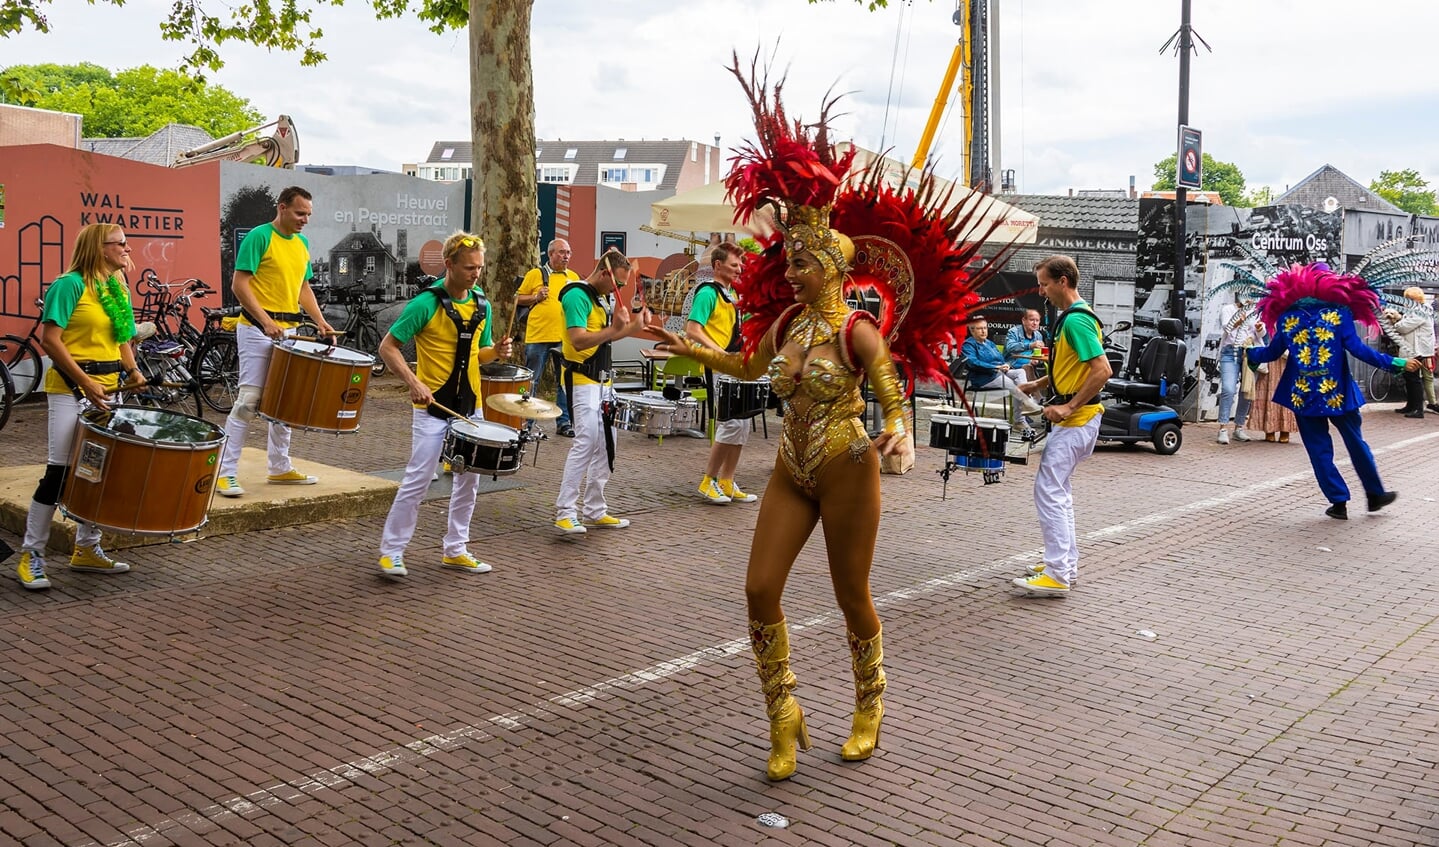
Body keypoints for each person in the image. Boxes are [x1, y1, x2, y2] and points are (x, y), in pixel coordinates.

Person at [648, 59, 996, 781]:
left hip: (846, 466)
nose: (792, 272)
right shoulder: (784, 323)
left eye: (803, 263)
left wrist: (897, 428)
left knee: (850, 595)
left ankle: (869, 702)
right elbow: (747, 370)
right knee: (757, 589)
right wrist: (695, 350)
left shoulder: (855, 331)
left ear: (833, 270)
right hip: (790, 468)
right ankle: (784, 713)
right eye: (791, 261)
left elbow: (890, 390)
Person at [15, 224, 146, 590]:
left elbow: (122, 336)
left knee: (97, 470)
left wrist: (132, 370)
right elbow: (50, 340)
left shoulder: (116, 285)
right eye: (119, 243)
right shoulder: (69, 284)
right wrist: (85, 381)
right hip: (71, 388)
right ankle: (32, 555)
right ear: (98, 247)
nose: (127, 248)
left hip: (108, 387)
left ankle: (86, 548)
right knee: (59, 472)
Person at [375, 232, 511, 578]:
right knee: (417, 480)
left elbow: (480, 353)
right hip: (432, 408)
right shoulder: (425, 304)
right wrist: (413, 382)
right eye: (469, 267)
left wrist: (496, 353)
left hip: (470, 407)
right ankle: (391, 552)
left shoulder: (483, 304)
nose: (476, 274)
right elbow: (388, 348)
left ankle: (456, 548)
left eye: (480, 268)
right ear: (448, 264)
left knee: (469, 481)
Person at [1245, 262, 1418, 520]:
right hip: (1337, 393)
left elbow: (1272, 352)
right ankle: (1374, 495)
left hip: (1303, 394)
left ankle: (1338, 502)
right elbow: (1359, 350)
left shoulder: (1287, 317)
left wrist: (1251, 354)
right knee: (1356, 443)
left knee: (1318, 450)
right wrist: (1395, 362)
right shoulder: (1339, 313)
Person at [215, 186, 336, 497]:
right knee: (249, 400)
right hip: (257, 329)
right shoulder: (259, 236)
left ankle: (280, 468)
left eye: (308, 214)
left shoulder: (302, 243)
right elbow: (239, 284)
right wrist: (266, 321)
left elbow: (303, 287)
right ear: (282, 208)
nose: (304, 219)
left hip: (289, 332)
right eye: (299, 213)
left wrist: (321, 321)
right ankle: (225, 473)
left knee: (285, 401)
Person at [1013, 255, 1112, 597]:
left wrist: (1069, 406)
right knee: (1060, 491)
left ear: (1063, 282)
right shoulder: (1073, 319)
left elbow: (1101, 370)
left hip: (1078, 420)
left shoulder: (1076, 322)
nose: (1041, 291)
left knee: (1049, 491)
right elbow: (1070, 367)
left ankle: (1057, 573)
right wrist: (1037, 386)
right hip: (1081, 421)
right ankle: (1063, 564)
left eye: (1044, 283)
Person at [552, 248, 648, 534]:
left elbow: (607, 337)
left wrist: (632, 328)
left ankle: (595, 507)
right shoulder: (576, 296)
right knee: (586, 442)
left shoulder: (601, 297)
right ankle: (565, 511)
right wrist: (616, 329)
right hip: (582, 381)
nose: (618, 289)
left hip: (603, 382)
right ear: (605, 272)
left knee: (608, 443)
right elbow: (579, 341)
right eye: (618, 283)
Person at [686, 242, 757, 505]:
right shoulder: (708, 293)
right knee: (729, 423)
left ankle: (727, 480)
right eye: (734, 265)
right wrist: (720, 352)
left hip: (736, 365)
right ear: (718, 265)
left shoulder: (731, 295)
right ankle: (708, 480)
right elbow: (692, 329)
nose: (739, 270)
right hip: (719, 366)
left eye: (740, 265)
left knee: (742, 424)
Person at [516, 239, 580, 437]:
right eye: (561, 252)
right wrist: (535, 297)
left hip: (564, 338)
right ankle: (526, 423)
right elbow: (517, 298)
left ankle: (564, 422)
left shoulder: (573, 277)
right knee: (532, 381)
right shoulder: (536, 274)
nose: (566, 256)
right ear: (550, 254)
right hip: (538, 336)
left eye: (568, 252)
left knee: (563, 382)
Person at [961, 315, 1045, 435]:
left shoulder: (989, 343)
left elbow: (1000, 359)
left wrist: (1005, 365)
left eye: (985, 328)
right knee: (1014, 385)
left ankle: (1026, 403)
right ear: (972, 330)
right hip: (984, 378)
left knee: (1020, 372)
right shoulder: (968, 345)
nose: (984, 331)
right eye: (980, 329)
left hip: (1000, 373)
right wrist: (995, 367)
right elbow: (973, 363)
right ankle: (1021, 416)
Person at [1216, 292, 1261, 443]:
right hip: (1230, 352)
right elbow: (1226, 328)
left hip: (1249, 352)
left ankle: (1239, 427)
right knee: (1228, 388)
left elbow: (1261, 334)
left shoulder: (1255, 312)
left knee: (1246, 390)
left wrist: (1260, 328)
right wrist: (1237, 321)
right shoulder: (1228, 309)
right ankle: (1223, 428)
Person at [1384, 287, 1435, 419]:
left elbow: (1404, 327)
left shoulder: (1422, 310)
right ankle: (1411, 405)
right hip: (1411, 347)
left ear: (1413, 299)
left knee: (1413, 378)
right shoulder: (1416, 309)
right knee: (1408, 377)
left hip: (1417, 349)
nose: (1405, 301)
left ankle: (1418, 409)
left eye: (1407, 298)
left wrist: (1395, 326)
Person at [1004, 308, 1046, 382]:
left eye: (1037, 320)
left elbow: (1039, 354)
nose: (1035, 323)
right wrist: (1030, 345)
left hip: (1030, 366)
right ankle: (1033, 392)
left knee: (1030, 368)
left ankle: (1031, 392)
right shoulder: (1014, 332)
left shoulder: (1038, 335)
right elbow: (1010, 347)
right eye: (1032, 320)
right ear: (1024, 320)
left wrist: (1037, 360)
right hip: (1012, 366)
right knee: (1027, 368)